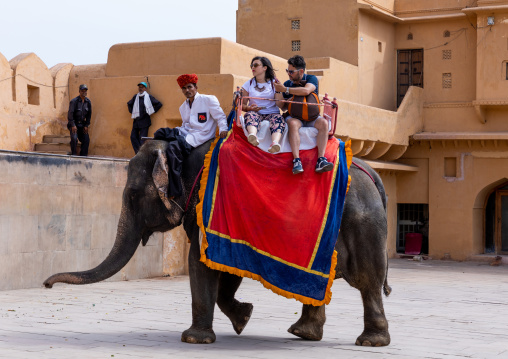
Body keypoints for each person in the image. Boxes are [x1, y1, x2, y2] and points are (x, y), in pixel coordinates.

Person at [274, 55, 333, 174]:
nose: (288, 74)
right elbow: (281, 105)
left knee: (324, 123)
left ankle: (321, 160)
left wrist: (286, 89)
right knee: (292, 123)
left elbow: (306, 90)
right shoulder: (287, 84)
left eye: (291, 71)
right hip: (296, 117)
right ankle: (296, 160)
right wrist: (278, 90)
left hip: (312, 117)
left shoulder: (311, 78)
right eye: (287, 71)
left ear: (301, 71)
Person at [242, 56, 285, 153]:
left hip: (272, 113)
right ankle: (253, 136)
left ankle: (275, 143)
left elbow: (281, 105)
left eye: (256, 65)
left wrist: (279, 91)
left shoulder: (275, 83)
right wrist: (249, 108)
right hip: (255, 113)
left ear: (265, 68)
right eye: (251, 65)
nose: (253, 68)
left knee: (278, 119)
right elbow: (242, 105)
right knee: (249, 115)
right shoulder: (248, 84)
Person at [176, 73, 228, 148]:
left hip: (201, 135)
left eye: (189, 87)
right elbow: (185, 124)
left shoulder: (208, 100)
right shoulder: (183, 107)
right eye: (184, 88)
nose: (187, 90)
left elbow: (220, 116)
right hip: (186, 132)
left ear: (196, 87)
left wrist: (223, 129)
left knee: (174, 146)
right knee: (162, 133)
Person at [127, 82, 163, 154]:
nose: (141, 88)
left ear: (145, 88)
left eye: (142, 87)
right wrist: (132, 112)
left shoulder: (148, 97)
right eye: (139, 87)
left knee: (142, 140)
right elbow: (129, 104)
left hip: (145, 122)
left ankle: (141, 155)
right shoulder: (136, 97)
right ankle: (139, 153)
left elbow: (159, 104)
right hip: (136, 121)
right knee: (133, 137)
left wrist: (151, 111)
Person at [67, 84, 92, 156]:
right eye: (82, 91)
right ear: (79, 91)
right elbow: (70, 114)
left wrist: (87, 125)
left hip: (82, 125)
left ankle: (83, 156)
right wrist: (73, 125)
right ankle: (74, 155)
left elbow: (89, 115)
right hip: (74, 124)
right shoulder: (74, 101)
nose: (84, 92)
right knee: (74, 139)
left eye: (85, 91)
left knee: (86, 139)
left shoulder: (88, 102)